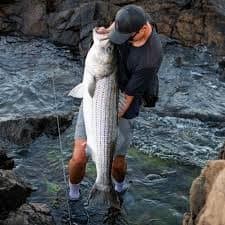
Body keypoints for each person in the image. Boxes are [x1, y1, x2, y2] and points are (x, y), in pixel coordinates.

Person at [68, 4, 163, 201]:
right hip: (97, 92)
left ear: (143, 30)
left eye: (125, 35)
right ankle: (73, 192)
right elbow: (120, 25)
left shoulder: (149, 59)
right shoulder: (133, 18)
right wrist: (109, 31)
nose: (119, 38)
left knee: (117, 161)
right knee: (78, 156)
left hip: (125, 97)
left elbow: (127, 98)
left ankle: (116, 186)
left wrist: (103, 123)